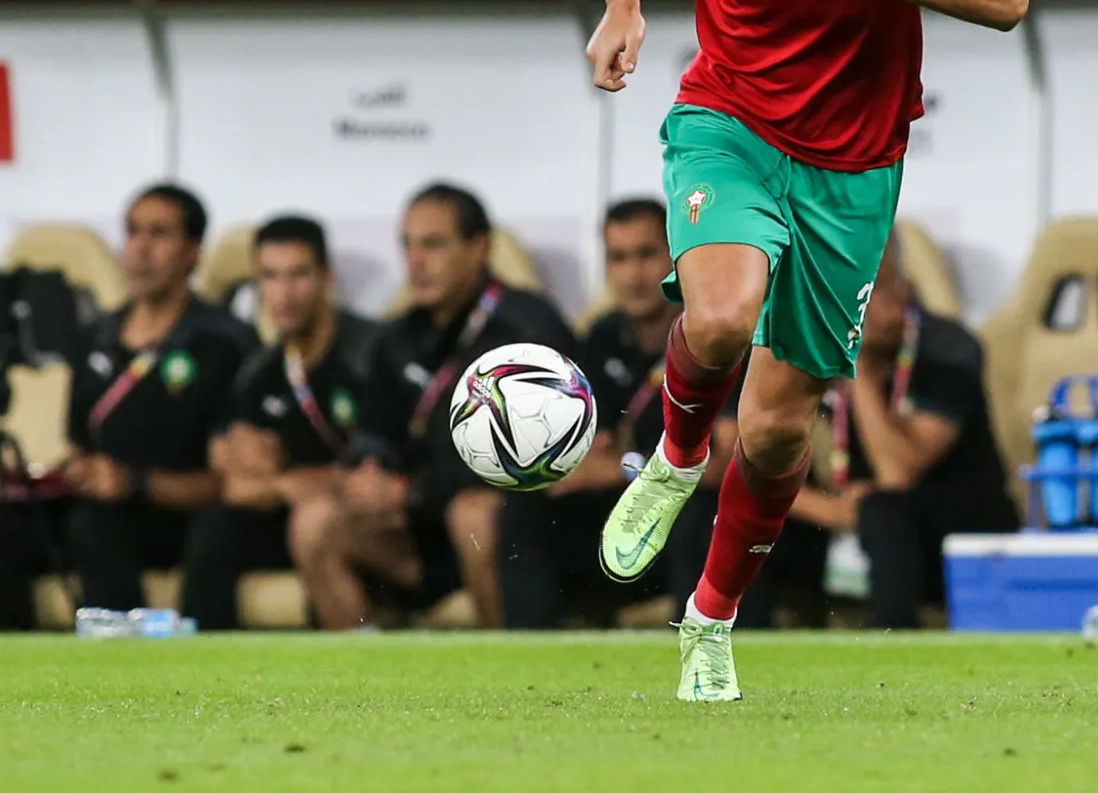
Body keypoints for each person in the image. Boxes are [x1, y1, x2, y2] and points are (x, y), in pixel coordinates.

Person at [586, 0, 1028, 699]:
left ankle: (709, 622)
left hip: (853, 157)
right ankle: (678, 454)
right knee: (719, 314)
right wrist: (624, 0)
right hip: (727, 111)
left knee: (779, 430)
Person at [0, 184, 256, 630]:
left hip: (176, 515)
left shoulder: (225, 343)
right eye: (133, 232)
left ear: (194, 251)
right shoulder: (95, 337)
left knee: (96, 526)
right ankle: (9, 676)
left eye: (160, 234)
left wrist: (133, 482)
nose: (141, 249)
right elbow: (82, 441)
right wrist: (66, 475)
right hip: (97, 505)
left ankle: (123, 678)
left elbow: (230, 482)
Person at [290, 182, 575, 630]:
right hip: (419, 532)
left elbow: (530, 460)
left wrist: (412, 492)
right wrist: (369, 468)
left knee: (473, 513)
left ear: (479, 247)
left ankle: (515, 683)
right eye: (408, 246)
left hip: (515, 529)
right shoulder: (398, 336)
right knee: (316, 520)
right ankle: (358, 685)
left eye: (434, 245)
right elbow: (375, 431)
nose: (416, 262)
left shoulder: (529, 328)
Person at [499, 199, 732, 626]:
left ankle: (698, 660)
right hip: (615, 528)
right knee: (527, 506)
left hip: (680, 532)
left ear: (678, 256)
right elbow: (587, 449)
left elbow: (725, 464)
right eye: (619, 258)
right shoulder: (600, 339)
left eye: (646, 255)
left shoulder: (713, 336)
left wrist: (627, 468)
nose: (633, 274)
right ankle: (529, 662)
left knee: (701, 512)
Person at [787, 235, 1016, 628]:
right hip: (847, 513)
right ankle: (732, 649)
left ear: (900, 287)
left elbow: (898, 474)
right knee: (724, 514)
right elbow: (745, 461)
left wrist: (859, 367)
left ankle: (891, 647)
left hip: (952, 526)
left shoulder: (948, 348)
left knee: (885, 511)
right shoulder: (798, 343)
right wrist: (827, 509)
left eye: (863, 288)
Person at [180, 215, 375, 631]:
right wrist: (286, 485)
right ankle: (198, 677)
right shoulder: (259, 371)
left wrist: (299, 482)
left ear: (326, 278)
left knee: (320, 518)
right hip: (283, 516)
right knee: (215, 531)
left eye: (298, 275)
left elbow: (376, 476)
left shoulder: (369, 354)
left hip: (357, 519)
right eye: (269, 277)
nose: (283, 294)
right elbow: (234, 486)